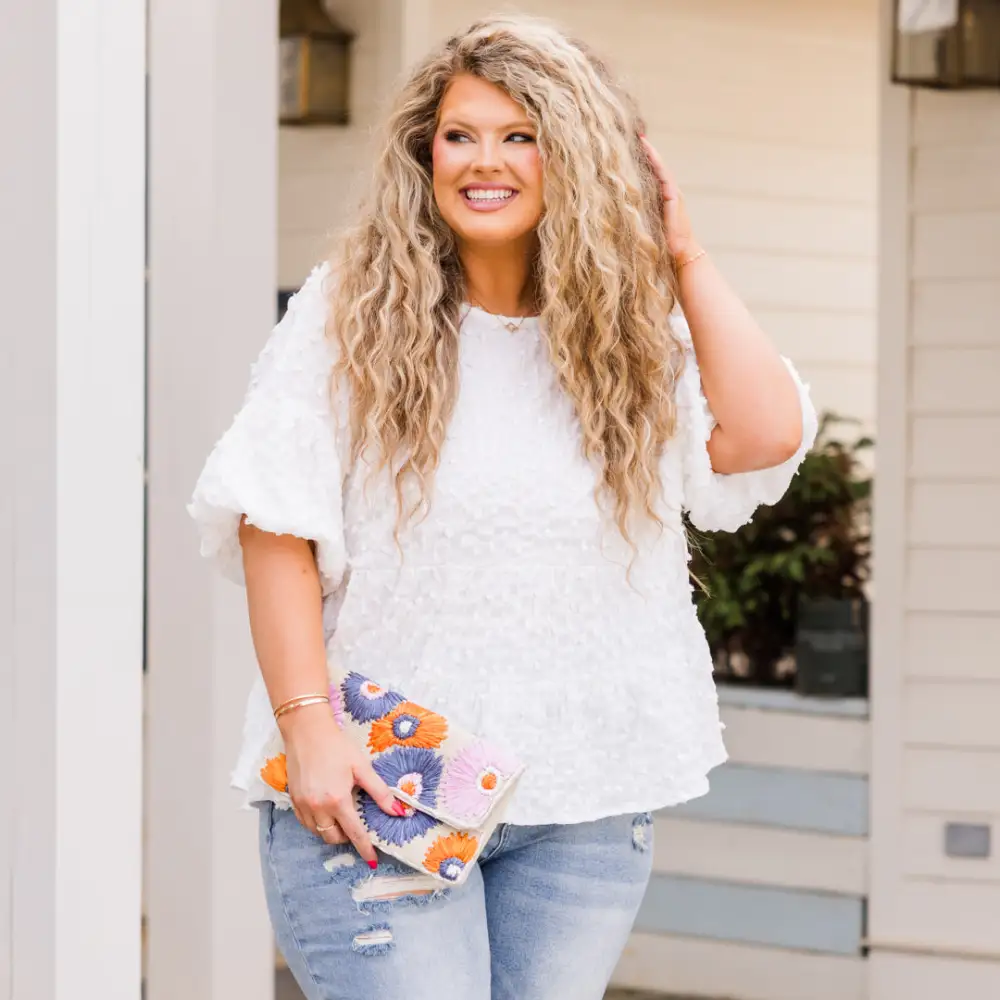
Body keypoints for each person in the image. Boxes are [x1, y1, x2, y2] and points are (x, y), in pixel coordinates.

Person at [190, 13, 817, 1000]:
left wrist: (682, 256)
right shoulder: (352, 307)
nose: (486, 161)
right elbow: (276, 519)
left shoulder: (634, 333)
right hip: (384, 784)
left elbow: (762, 435)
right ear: (424, 153)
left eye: (520, 135)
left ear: (573, 155)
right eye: (461, 135)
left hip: (585, 797)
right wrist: (306, 724)